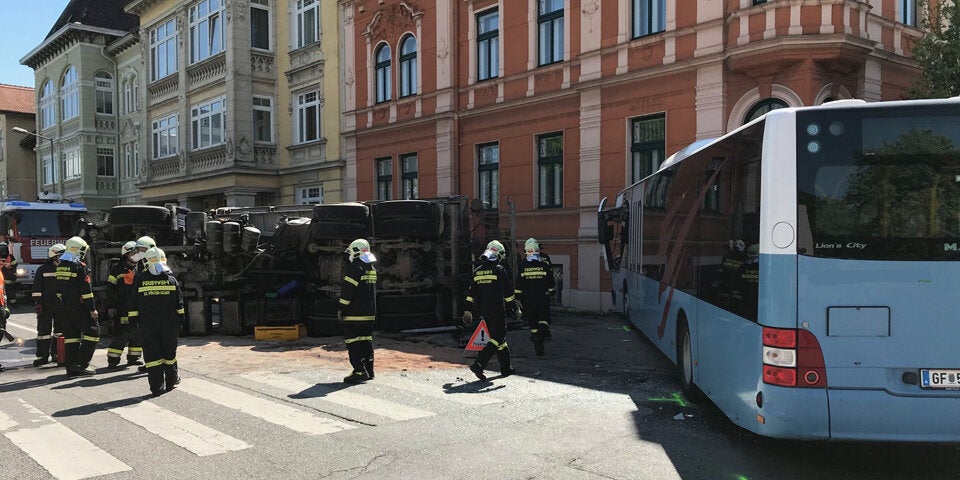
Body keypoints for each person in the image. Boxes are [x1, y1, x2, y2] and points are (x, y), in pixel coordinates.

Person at [127, 247, 184, 396]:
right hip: (169, 325)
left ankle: (156, 388)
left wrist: (134, 324)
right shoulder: (171, 279)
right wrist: (180, 323)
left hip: (148, 325)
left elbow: (133, 304)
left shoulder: (140, 279)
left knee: (152, 357)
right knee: (169, 355)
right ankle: (171, 382)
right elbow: (180, 305)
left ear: (146, 261)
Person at [462, 239, 518, 381]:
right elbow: (508, 292)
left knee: (501, 340)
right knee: (497, 337)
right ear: (498, 255)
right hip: (497, 310)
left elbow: (470, 294)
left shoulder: (477, 272)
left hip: (485, 311)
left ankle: (506, 369)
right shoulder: (498, 270)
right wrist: (515, 309)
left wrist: (468, 310)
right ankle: (479, 364)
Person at [55, 236, 99, 376]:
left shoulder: (61, 266)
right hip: (80, 308)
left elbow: (58, 290)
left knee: (71, 337)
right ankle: (80, 364)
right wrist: (92, 309)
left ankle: (71, 367)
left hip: (65, 307)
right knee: (93, 333)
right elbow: (86, 291)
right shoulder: (80, 266)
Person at [338, 238, 378, 384]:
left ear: (355, 252)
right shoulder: (371, 269)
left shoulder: (355, 268)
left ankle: (359, 371)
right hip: (369, 315)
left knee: (353, 342)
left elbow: (348, 293)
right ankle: (369, 370)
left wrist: (341, 309)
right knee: (366, 341)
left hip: (353, 315)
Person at [105, 241, 143, 369]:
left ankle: (134, 357)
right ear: (127, 254)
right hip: (123, 306)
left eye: (138, 252)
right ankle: (113, 359)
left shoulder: (142, 267)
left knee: (138, 332)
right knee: (123, 333)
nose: (136, 255)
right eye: (134, 252)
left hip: (139, 306)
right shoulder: (118, 269)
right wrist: (111, 306)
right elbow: (110, 289)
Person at [516, 238, 555, 356]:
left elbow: (518, 284)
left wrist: (518, 298)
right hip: (542, 297)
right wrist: (551, 292)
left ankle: (534, 335)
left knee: (532, 320)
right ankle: (540, 337)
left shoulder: (523, 265)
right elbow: (551, 281)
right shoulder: (544, 264)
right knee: (545, 319)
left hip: (528, 299)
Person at [31, 243, 66, 367]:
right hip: (46, 305)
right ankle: (42, 357)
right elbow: (36, 288)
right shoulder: (43, 269)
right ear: (54, 256)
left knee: (60, 331)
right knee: (43, 332)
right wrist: (38, 303)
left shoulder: (67, 269)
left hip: (61, 305)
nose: (63, 258)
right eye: (61, 255)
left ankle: (58, 355)